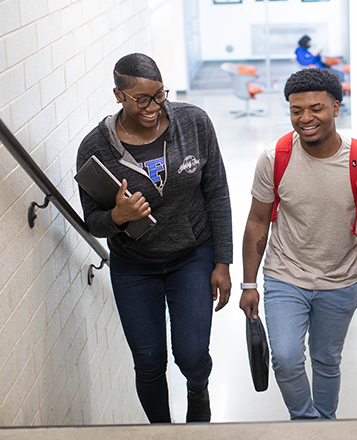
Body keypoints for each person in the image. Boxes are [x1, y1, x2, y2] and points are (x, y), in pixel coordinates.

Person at [76, 53, 233, 424]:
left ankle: (199, 388)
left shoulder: (193, 123)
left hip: (192, 255)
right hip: (134, 266)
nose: (153, 106)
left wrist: (222, 261)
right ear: (118, 96)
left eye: (159, 95)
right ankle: (161, 431)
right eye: (141, 99)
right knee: (148, 363)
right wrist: (118, 216)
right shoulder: (95, 148)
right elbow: (92, 222)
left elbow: (217, 193)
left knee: (192, 356)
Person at [240, 68, 357, 420]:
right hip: (284, 275)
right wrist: (249, 283)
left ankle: (325, 423)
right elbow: (257, 221)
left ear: (336, 107)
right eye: (296, 110)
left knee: (327, 361)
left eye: (316, 108)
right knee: (287, 358)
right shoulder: (274, 157)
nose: (305, 118)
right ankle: (307, 424)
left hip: (340, 281)